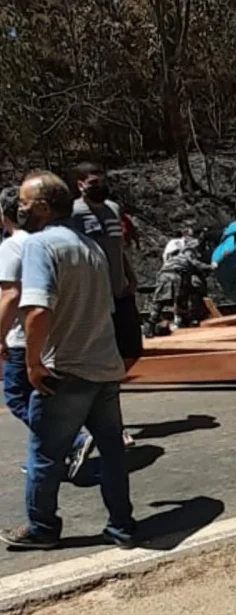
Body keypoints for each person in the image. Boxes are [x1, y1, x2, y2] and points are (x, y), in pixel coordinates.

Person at [0, 171, 136, 550]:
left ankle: (42, 528)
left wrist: (32, 363)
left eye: (25, 203)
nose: (19, 209)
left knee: (44, 454)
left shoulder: (39, 246)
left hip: (65, 369)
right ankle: (122, 525)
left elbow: (37, 309)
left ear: (42, 207)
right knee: (111, 452)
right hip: (103, 366)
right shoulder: (89, 246)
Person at [0, 186, 92, 477]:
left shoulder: (12, 245)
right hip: (55, 332)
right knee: (42, 398)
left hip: (22, 335)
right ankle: (55, 452)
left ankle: (69, 443)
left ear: (4, 216)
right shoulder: (46, 241)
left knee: (17, 396)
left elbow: (11, 296)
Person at [71, 162, 138, 447]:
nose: (99, 187)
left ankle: (102, 409)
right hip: (96, 300)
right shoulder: (72, 214)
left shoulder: (112, 208)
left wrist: (129, 273)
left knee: (133, 349)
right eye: (92, 183)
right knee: (105, 363)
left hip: (120, 292)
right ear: (80, 185)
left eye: (102, 181)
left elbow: (117, 246)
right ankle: (112, 427)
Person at [144, 233, 213, 337]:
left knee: (159, 302)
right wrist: (210, 267)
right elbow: (195, 264)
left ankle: (150, 327)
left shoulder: (173, 257)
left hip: (163, 274)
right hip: (178, 274)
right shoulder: (188, 252)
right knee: (181, 299)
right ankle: (182, 325)